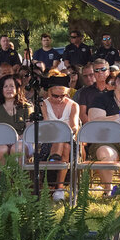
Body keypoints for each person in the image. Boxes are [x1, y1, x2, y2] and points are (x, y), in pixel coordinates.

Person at [38, 70, 80, 199]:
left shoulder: (73, 105)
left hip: (69, 139)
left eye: (62, 96)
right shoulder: (43, 104)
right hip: (48, 142)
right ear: (49, 92)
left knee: (65, 143)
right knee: (64, 146)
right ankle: (59, 189)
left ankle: (54, 161)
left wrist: (65, 132)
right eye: (55, 96)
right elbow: (45, 124)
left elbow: (74, 126)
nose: (59, 99)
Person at [0, 74, 30, 162]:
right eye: (5, 86)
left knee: (17, 149)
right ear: (1, 89)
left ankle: (18, 176)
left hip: (21, 140)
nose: (9, 89)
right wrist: (6, 140)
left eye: (12, 86)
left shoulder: (26, 107)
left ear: (17, 89)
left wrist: (17, 139)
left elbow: (29, 130)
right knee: (2, 149)